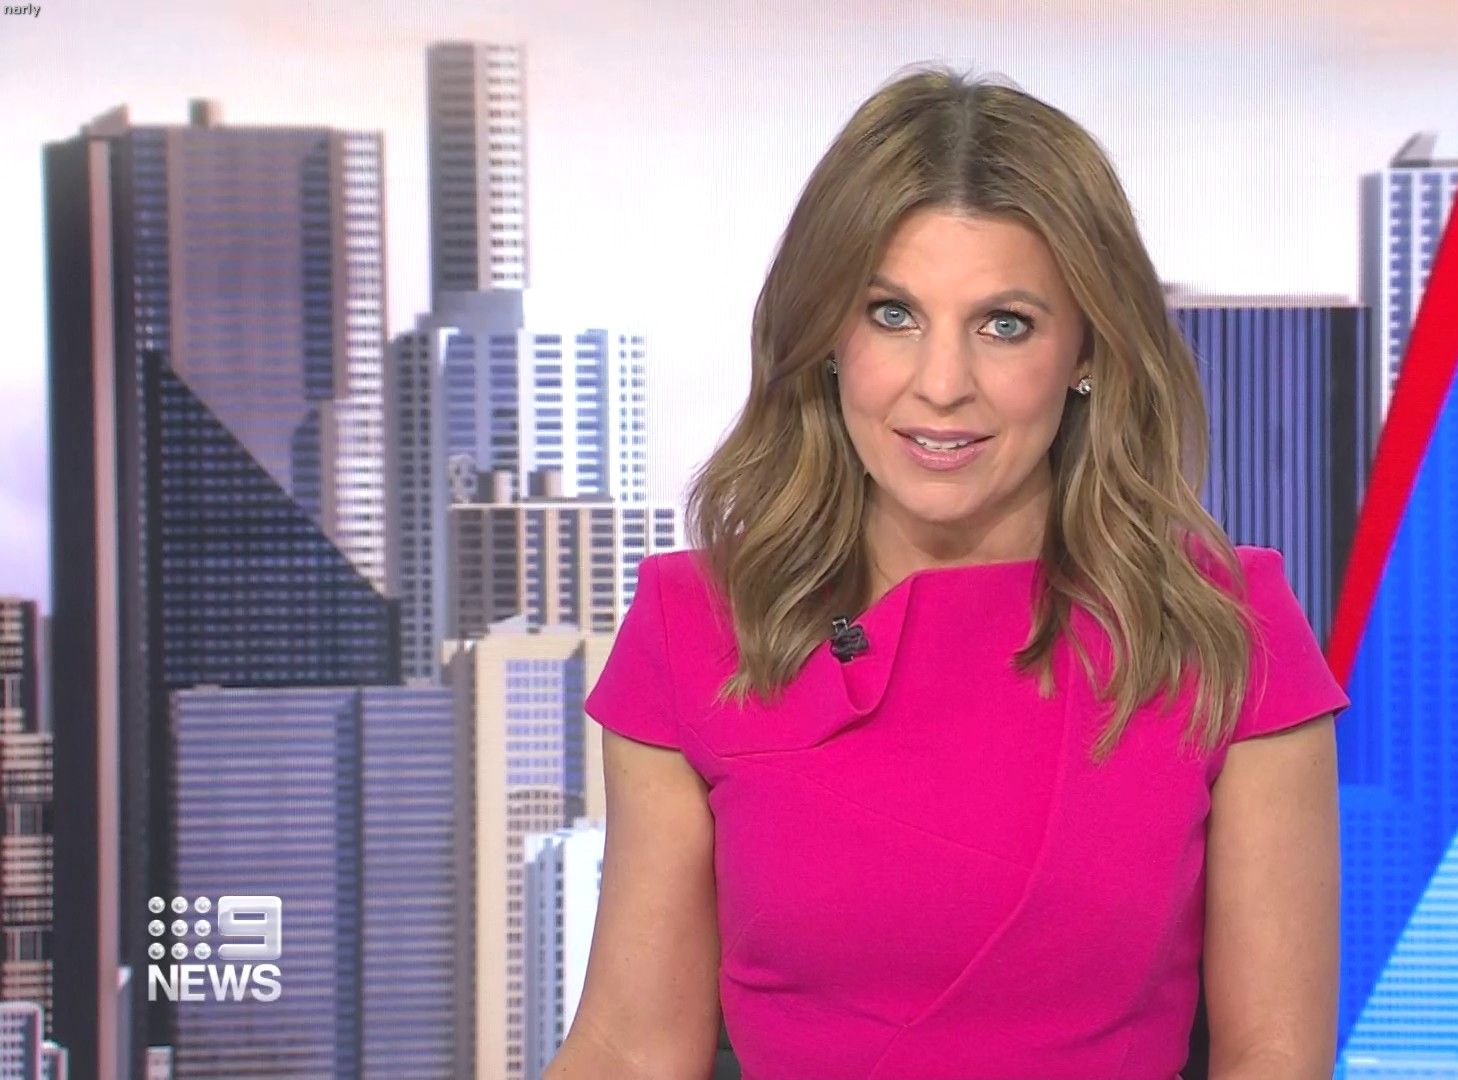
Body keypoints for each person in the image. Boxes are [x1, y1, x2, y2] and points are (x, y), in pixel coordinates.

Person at [545, 63, 1349, 1080]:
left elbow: (1273, 1057)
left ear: (1087, 352)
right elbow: (629, 1052)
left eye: (1004, 324)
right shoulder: (697, 624)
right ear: (827, 337)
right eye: (892, 314)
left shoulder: (1225, 629)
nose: (941, 385)